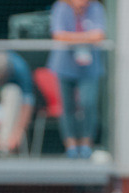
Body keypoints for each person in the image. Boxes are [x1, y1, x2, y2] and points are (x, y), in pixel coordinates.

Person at [47, 0, 107, 159]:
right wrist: (87, 37)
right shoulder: (60, 8)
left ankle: (86, 144)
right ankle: (71, 146)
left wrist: (72, 37)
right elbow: (58, 35)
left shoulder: (95, 8)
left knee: (88, 103)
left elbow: (99, 35)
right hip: (65, 66)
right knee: (67, 106)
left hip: (89, 68)